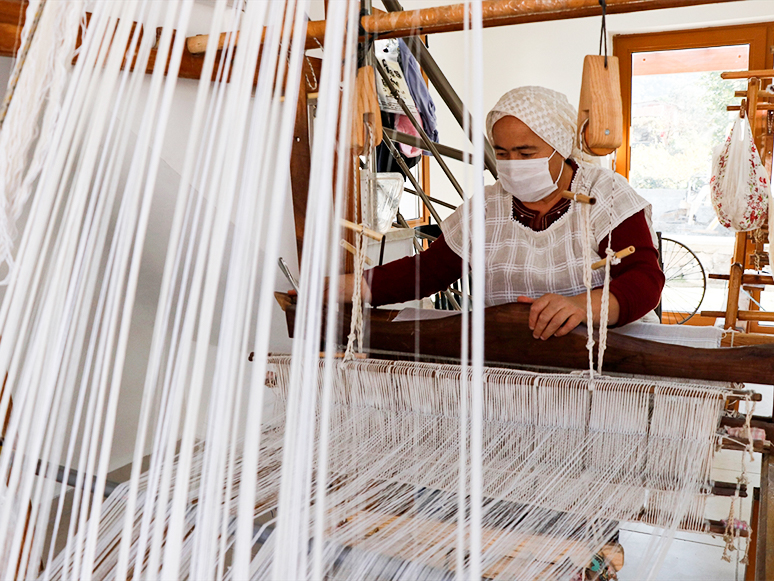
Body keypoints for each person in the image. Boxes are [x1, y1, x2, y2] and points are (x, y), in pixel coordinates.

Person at [343, 86, 664, 340]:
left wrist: (583, 306)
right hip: (513, 362)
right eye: (502, 153)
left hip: (609, 360)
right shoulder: (487, 207)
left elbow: (644, 278)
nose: (512, 163)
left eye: (526, 153)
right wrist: (346, 288)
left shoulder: (603, 193)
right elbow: (425, 272)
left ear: (561, 147)